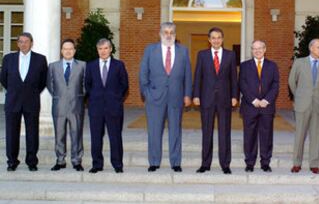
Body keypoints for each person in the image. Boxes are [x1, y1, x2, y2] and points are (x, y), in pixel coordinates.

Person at [139, 22, 192, 172]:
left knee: (175, 130)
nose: (168, 35)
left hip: (176, 97)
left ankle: (176, 162)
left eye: (171, 32)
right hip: (155, 97)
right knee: (154, 130)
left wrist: (187, 94)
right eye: (166, 32)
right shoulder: (150, 50)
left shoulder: (183, 51)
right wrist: (146, 93)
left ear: (175, 35)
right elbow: (143, 73)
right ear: (160, 33)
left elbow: (188, 74)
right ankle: (154, 161)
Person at [193, 27, 238, 174]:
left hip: (225, 99)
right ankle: (205, 164)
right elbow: (198, 76)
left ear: (222, 39)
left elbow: (233, 78)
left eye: (219, 37)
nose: (216, 40)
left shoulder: (230, 55)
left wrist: (234, 96)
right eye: (213, 37)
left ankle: (225, 164)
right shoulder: (202, 55)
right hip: (206, 99)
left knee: (225, 132)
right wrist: (196, 95)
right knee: (207, 132)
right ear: (209, 40)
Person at [0, 32, 48, 171]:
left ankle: (32, 162)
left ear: (31, 43)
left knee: (32, 132)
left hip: (31, 100)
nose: (23, 44)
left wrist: (31, 92)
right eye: (20, 41)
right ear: (17, 43)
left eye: (26, 41)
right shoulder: (9, 58)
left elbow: (43, 81)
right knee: (11, 133)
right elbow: (3, 78)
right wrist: (15, 90)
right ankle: (12, 161)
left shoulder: (40, 59)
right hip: (13, 101)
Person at [85, 38, 129, 173]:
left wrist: (116, 99)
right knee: (96, 137)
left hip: (114, 107)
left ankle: (117, 164)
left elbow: (124, 85)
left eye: (105, 48)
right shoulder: (91, 66)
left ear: (110, 49)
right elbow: (87, 85)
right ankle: (97, 164)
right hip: (96, 107)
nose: (103, 51)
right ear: (97, 50)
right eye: (100, 49)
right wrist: (92, 99)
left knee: (115, 136)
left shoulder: (119, 65)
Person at [288, 38, 319, 174]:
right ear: (311, 48)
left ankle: (314, 164)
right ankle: (296, 163)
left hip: (318, 105)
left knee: (316, 135)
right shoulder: (299, 63)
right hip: (302, 104)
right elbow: (291, 81)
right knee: (300, 135)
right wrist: (298, 95)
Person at [239, 40, 279, 172]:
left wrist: (266, 100)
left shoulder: (272, 66)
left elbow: (275, 85)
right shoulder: (244, 66)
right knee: (249, 136)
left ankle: (265, 162)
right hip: (250, 107)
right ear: (251, 50)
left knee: (266, 136)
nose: (257, 51)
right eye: (254, 48)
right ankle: (250, 163)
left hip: (267, 107)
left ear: (265, 49)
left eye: (260, 48)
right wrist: (254, 100)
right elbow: (242, 84)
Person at [47, 39, 86, 171]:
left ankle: (76, 160)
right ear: (61, 51)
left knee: (77, 134)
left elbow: (85, 85)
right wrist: (60, 96)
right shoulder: (53, 66)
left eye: (70, 49)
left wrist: (78, 96)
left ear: (74, 51)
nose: (68, 51)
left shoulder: (82, 65)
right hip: (59, 106)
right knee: (59, 134)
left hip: (76, 105)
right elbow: (50, 84)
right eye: (65, 49)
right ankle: (60, 160)